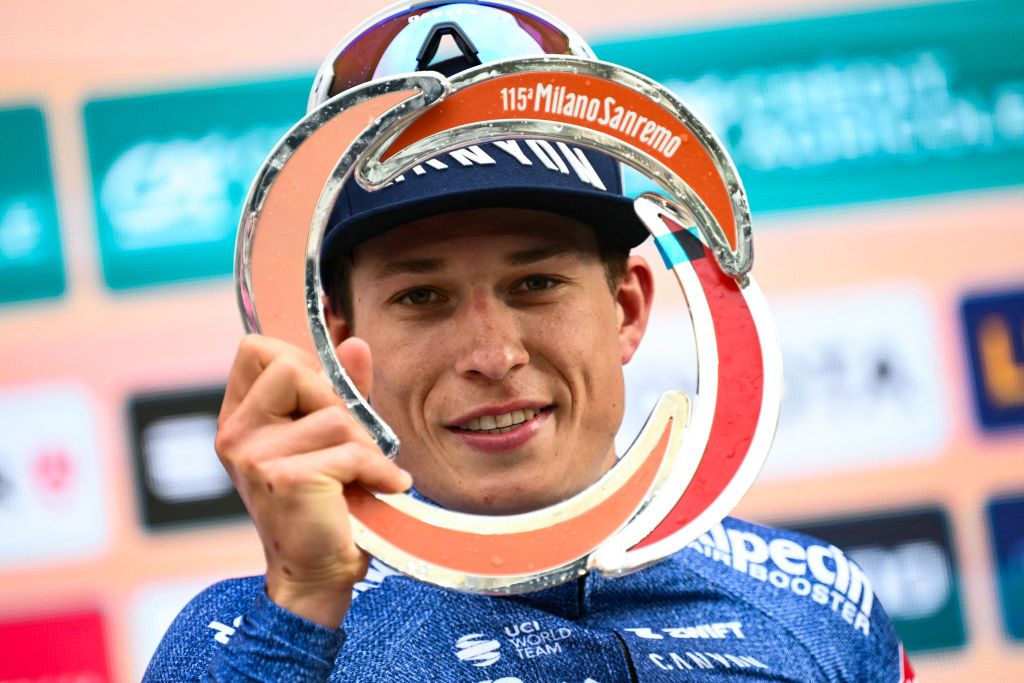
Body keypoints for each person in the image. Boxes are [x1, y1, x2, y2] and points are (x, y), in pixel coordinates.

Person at [145, 4, 915, 681]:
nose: (492, 353)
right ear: (339, 340)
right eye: (422, 297)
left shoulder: (814, 606)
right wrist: (303, 609)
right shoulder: (244, 636)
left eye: (535, 284)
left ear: (626, 306)